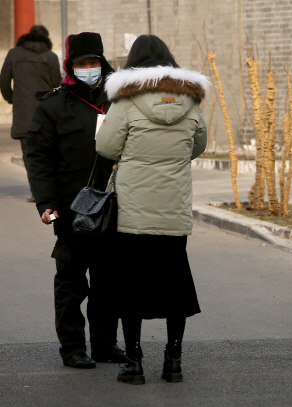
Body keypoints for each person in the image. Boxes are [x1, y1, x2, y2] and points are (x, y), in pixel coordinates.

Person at [96, 34, 208, 385]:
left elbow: (107, 147)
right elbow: (199, 144)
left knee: (131, 287)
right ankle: (173, 361)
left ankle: (134, 362)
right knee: (174, 284)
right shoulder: (190, 100)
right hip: (173, 209)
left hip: (133, 211)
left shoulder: (125, 101)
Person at [25, 32, 125, 369]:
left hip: (113, 207)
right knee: (70, 283)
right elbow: (38, 159)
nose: (89, 68)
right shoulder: (51, 106)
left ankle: (105, 345)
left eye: (94, 62)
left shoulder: (118, 101)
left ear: (103, 62)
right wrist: (45, 204)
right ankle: (72, 348)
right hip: (70, 210)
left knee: (109, 282)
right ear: (70, 66)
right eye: (81, 63)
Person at [0, 25, 61, 202]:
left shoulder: (14, 54)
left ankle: (37, 191)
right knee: (49, 151)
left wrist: (13, 99)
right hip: (46, 112)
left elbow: (3, 81)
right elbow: (57, 85)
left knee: (29, 153)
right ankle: (51, 188)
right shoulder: (50, 57)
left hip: (23, 112)